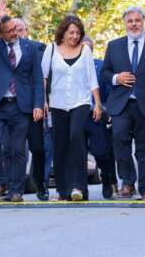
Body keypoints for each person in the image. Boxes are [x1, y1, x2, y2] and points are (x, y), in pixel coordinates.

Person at [0, 0, 44, 202]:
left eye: (16, 29)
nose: (14, 33)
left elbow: (37, 78)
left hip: (20, 105)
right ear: (1, 33)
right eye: (8, 31)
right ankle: (0, 181)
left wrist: (38, 105)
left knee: (16, 149)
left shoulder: (30, 48)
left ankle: (16, 190)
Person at [102, 6, 145, 201]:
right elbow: (104, 73)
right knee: (119, 141)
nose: (133, 24)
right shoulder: (114, 45)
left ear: (143, 22)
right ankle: (128, 182)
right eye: (130, 21)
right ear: (125, 23)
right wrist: (116, 78)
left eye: (137, 20)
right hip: (121, 104)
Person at [42, 16, 102, 201]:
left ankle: (78, 187)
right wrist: (43, 101)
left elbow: (92, 78)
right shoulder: (51, 49)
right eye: (71, 32)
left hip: (80, 102)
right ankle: (63, 190)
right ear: (63, 32)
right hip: (57, 103)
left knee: (76, 137)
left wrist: (97, 103)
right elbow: (43, 77)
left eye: (77, 33)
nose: (75, 36)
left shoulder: (85, 51)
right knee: (60, 144)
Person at [8, 17, 48, 201]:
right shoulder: (4, 49)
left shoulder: (38, 48)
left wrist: (40, 103)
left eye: (21, 29)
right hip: (11, 108)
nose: (18, 32)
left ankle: (41, 184)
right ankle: (14, 189)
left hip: (33, 107)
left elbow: (42, 79)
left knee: (37, 148)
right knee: (12, 149)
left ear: (27, 31)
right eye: (14, 29)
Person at [82, 36, 118, 200]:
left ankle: (107, 176)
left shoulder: (100, 66)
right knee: (78, 152)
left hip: (97, 114)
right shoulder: (70, 65)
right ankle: (80, 188)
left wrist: (108, 112)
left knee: (100, 151)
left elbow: (110, 91)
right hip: (77, 114)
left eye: (88, 48)